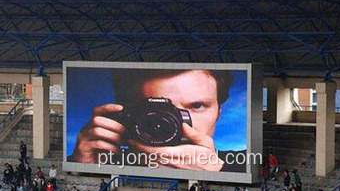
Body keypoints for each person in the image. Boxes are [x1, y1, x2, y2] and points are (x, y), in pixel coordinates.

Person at [69, 69, 247, 173]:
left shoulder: (244, 163)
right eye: (157, 111)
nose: (174, 121)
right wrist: (82, 166)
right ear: (127, 115)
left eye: (197, 106)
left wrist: (219, 171)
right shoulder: (105, 161)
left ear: (218, 112)